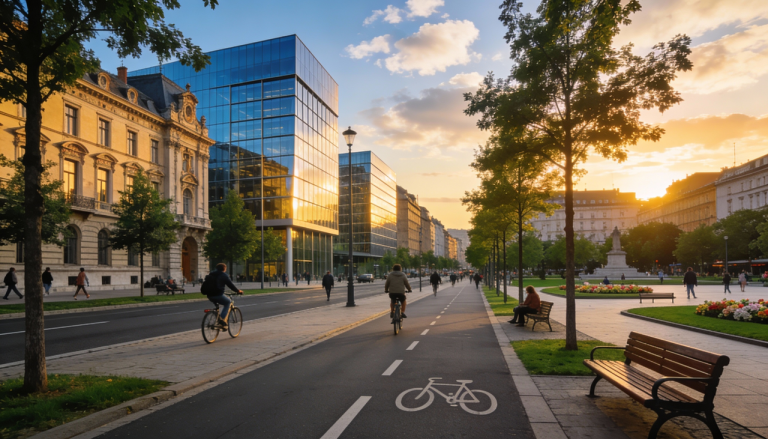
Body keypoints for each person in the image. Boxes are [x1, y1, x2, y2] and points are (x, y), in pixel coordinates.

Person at [207, 263, 243, 329]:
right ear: (224, 269)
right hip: (218, 294)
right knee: (228, 302)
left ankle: (217, 320)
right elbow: (230, 285)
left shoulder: (211, 274)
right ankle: (222, 320)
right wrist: (238, 291)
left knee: (218, 304)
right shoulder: (223, 275)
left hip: (209, 295)